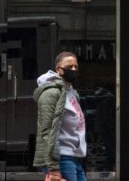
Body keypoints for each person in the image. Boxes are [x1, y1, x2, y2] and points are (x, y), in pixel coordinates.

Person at [33, 52, 87, 181]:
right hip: (62, 159)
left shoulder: (72, 92)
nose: (73, 69)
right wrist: (53, 167)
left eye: (76, 66)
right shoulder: (51, 93)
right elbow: (46, 131)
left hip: (75, 158)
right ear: (58, 69)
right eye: (69, 67)